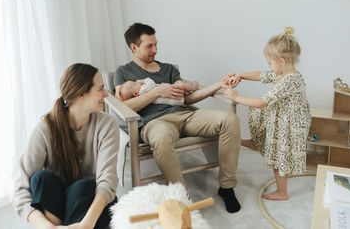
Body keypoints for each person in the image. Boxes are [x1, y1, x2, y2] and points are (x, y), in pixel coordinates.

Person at [113, 23, 242, 213]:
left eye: (156, 44)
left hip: (185, 115)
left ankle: (227, 187)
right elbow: (122, 107)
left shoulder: (169, 69)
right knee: (161, 138)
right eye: (149, 46)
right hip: (155, 123)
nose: (155, 50)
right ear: (134, 47)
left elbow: (188, 98)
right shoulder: (124, 73)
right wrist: (157, 91)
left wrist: (218, 85)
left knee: (230, 120)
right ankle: (182, 197)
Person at [12, 63, 119, 228]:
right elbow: (21, 188)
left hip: (93, 209)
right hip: (58, 209)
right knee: (41, 179)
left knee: (82, 187)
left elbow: (107, 181)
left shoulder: (107, 125)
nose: (106, 94)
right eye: (100, 89)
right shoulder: (46, 128)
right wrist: (48, 227)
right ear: (81, 93)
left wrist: (86, 224)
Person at [224, 27, 311, 200]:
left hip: (291, 125)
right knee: (257, 111)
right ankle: (257, 142)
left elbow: (263, 102)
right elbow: (260, 75)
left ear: (282, 61)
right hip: (283, 118)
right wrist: (240, 75)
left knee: (280, 157)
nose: (269, 67)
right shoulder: (283, 73)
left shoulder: (290, 80)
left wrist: (237, 97)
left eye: (270, 63)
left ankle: (282, 192)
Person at [119, 77, 199, 105]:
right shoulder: (142, 90)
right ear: (136, 93)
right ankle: (192, 87)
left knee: (178, 89)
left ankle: (186, 92)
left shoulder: (141, 94)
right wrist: (143, 80)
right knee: (180, 86)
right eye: (135, 84)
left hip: (174, 99)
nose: (137, 82)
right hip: (173, 98)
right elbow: (151, 83)